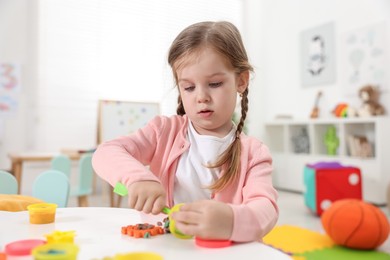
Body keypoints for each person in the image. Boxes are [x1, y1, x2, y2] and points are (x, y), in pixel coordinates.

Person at [92, 21, 278, 243]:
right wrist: (137, 179)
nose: (201, 97)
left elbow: (266, 208)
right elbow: (106, 152)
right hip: (162, 247)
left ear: (241, 81)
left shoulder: (254, 152)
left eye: (215, 83)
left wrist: (231, 221)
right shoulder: (163, 132)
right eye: (189, 87)